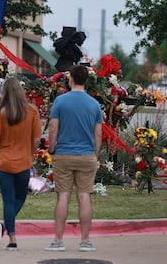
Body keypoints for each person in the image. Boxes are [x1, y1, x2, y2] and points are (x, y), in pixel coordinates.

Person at [45, 64, 102, 252]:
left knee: (63, 196)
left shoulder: (60, 102)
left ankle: (58, 240)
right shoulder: (94, 104)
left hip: (63, 154)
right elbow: (98, 134)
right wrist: (95, 155)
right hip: (86, 155)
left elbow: (53, 128)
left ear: (70, 79)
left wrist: (52, 149)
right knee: (84, 196)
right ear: (86, 80)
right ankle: (85, 240)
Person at [0, 77, 41, 251]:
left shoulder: (1, 113)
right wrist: (31, 153)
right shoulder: (32, 111)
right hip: (23, 161)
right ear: (21, 92)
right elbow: (36, 139)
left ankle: (11, 237)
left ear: (5, 93)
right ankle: (4, 226)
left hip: (3, 162)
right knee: (20, 197)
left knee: (8, 200)